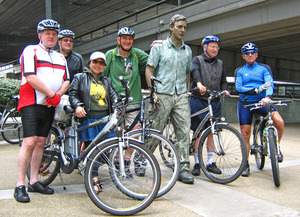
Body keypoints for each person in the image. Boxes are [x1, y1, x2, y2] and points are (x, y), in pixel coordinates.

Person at [14, 19, 70, 203]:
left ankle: (35, 181)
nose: (51, 36)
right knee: (29, 142)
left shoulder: (60, 57)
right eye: (47, 33)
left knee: (40, 143)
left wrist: (57, 95)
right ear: (40, 35)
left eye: (54, 34)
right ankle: (20, 185)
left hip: (49, 104)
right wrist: (52, 94)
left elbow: (66, 80)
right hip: (32, 102)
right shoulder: (31, 50)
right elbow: (30, 76)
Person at [145, 14, 193, 184]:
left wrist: (185, 93)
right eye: (179, 26)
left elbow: (187, 72)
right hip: (162, 94)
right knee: (155, 130)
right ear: (171, 27)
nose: (182, 30)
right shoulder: (159, 48)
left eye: (185, 27)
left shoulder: (188, 51)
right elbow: (149, 70)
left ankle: (183, 167)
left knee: (183, 132)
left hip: (180, 95)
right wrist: (153, 93)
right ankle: (142, 159)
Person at [69, 51, 118, 191]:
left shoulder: (107, 80)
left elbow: (113, 94)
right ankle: (94, 178)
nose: (98, 65)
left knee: (108, 149)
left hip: (105, 120)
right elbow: (73, 94)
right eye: (95, 62)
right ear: (89, 63)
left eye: (101, 62)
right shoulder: (80, 77)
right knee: (92, 149)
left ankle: (89, 169)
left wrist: (117, 102)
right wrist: (77, 106)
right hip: (89, 119)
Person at [235, 42, 284, 177]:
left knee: (279, 121)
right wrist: (257, 89)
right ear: (243, 56)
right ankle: (245, 164)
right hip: (246, 104)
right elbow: (239, 88)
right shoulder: (240, 71)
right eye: (247, 53)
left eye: (252, 53)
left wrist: (267, 96)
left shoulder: (264, 69)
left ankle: (276, 148)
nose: (250, 55)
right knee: (245, 134)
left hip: (263, 102)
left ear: (256, 54)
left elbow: (269, 83)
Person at [190, 35, 230, 176]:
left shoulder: (220, 63)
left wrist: (224, 89)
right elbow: (195, 74)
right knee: (199, 133)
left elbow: (223, 80)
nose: (215, 49)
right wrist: (199, 84)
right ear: (205, 47)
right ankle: (196, 162)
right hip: (199, 100)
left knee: (212, 131)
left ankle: (210, 162)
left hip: (214, 100)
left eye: (217, 47)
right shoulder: (198, 60)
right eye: (212, 46)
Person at [103, 26, 148, 130]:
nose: (127, 41)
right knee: (115, 134)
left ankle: (129, 147)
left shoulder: (137, 54)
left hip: (133, 101)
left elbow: (153, 61)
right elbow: (103, 76)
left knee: (134, 134)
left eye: (130, 38)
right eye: (124, 38)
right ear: (118, 40)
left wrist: (159, 45)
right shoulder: (111, 55)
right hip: (116, 102)